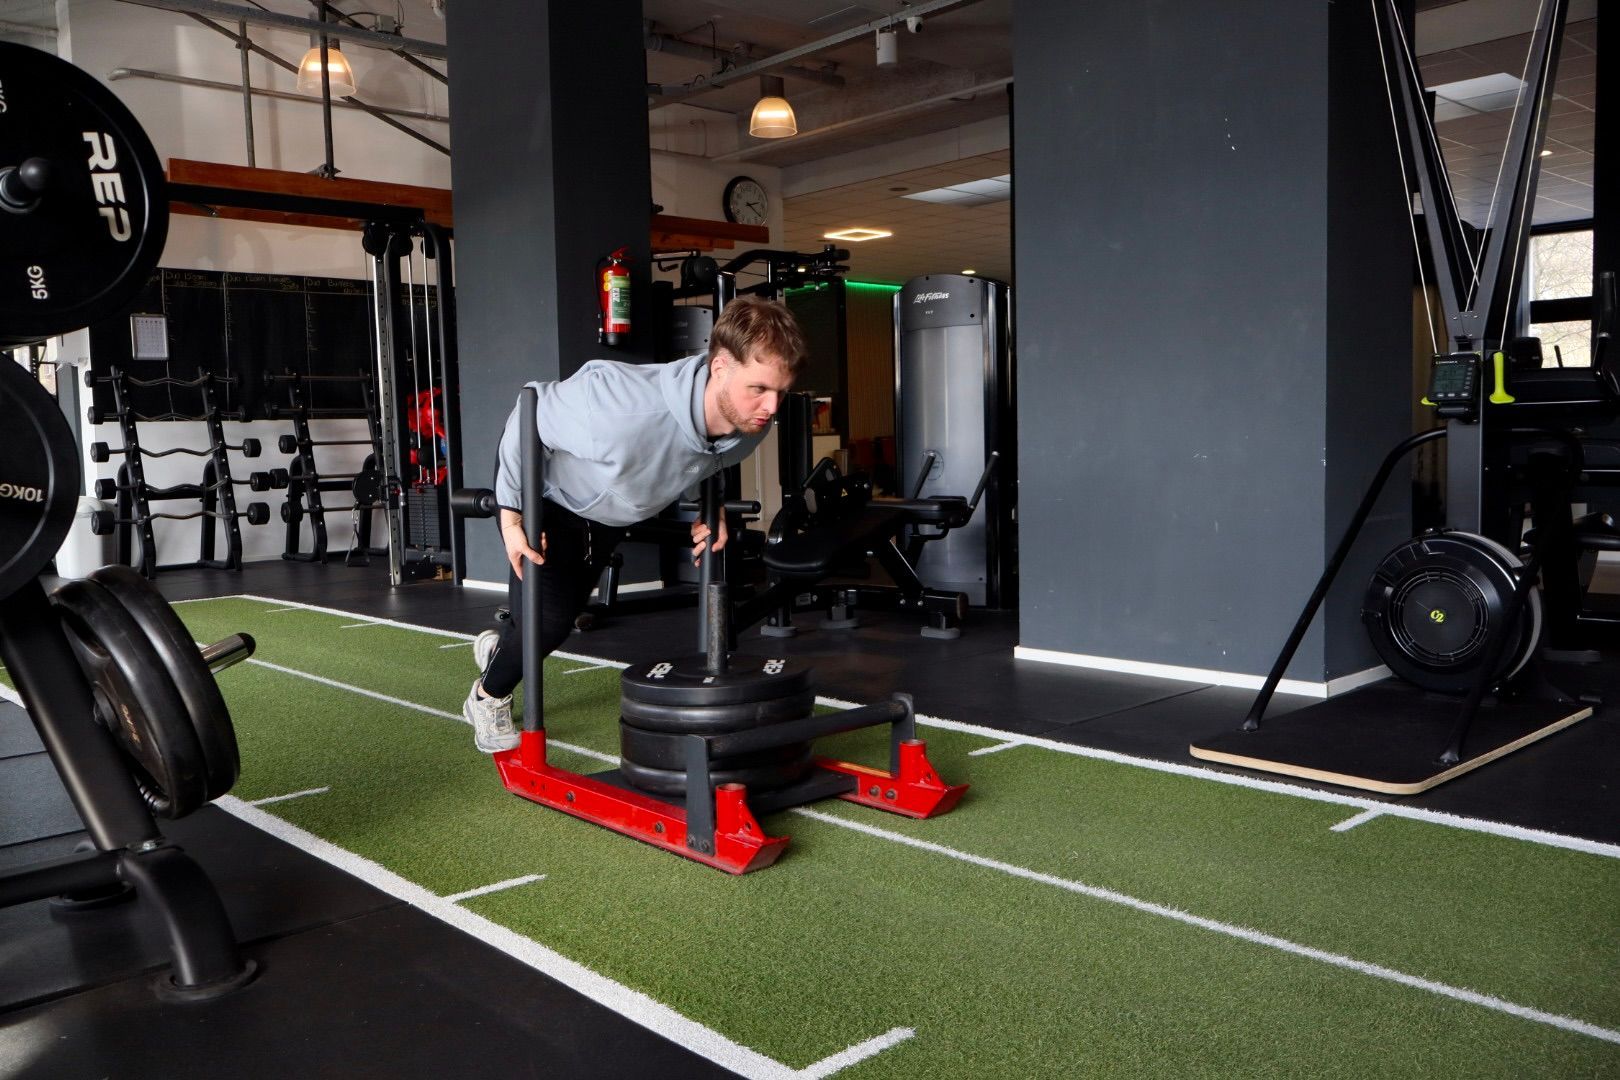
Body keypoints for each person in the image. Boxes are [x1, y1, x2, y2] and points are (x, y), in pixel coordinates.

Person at [463, 295, 808, 752]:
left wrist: (712, 507)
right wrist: (511, 515)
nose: (772, 407)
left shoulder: (749, 421)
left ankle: (504, 650)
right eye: (760, 389)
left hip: (612, 514)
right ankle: (487, 696)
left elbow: (704, 459)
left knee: (542, 625)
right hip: (556, 506)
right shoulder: (618, 409)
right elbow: (528, 413)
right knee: (547, 624)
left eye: (780, 391)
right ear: (720, 367)